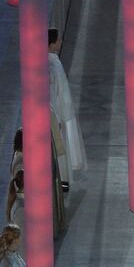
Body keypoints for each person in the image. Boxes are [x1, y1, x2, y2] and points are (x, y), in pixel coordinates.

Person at [48, 28, 86, 179]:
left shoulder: (53, 62)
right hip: (56, 114)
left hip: (57, 113)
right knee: (59, 148)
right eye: (58, 40)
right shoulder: (52, 65)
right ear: (51, 44)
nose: (61, 42)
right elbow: (56, 93)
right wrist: (58, 116)